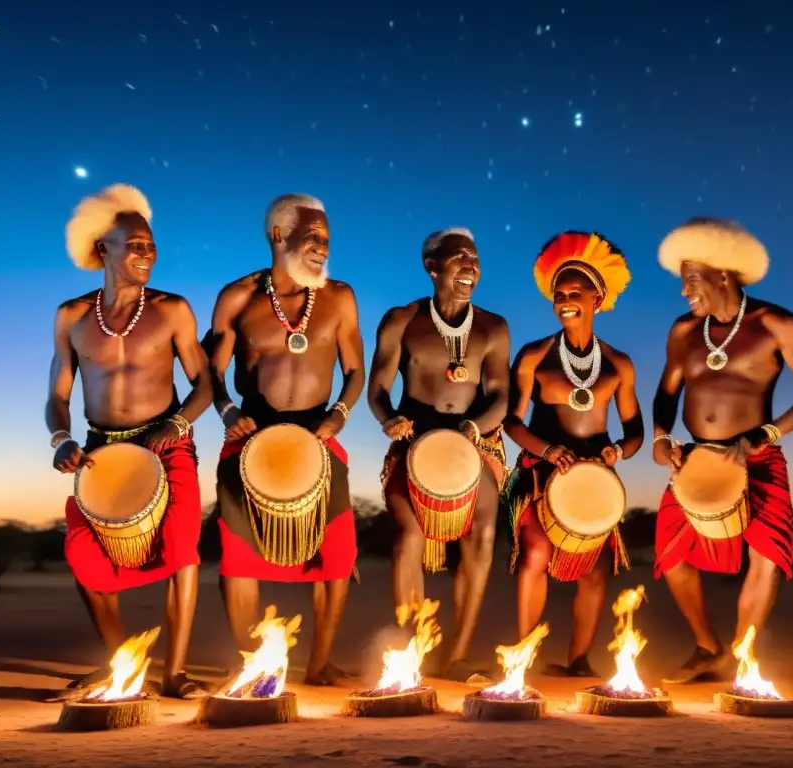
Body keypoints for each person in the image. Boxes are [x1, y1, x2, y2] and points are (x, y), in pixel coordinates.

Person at [650, 216, 793, 683]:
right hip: (695, 460)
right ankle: (707, 647)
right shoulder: (683, 332)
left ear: (723, 274)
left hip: (756, 457)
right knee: (671, 556)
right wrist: (659, 435)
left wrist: (767, 434)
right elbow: (666, 391)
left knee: (767, 558)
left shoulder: (774, 324)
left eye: (691, 281)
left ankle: (745, 659)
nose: (683, 292)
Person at [47, 184, 213, 699]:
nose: (146, 253)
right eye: (134, 244)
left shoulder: (172, 310)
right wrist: (60, 437)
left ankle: (176, 673)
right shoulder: (72, 317)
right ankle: (123, 664)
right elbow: (57, 393)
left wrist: (178, 425)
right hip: (101, 451)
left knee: (183, 551)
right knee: (81, 553)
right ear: (104, 250)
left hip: (167, 445)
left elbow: (204, 384)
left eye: (150, 245)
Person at [207, 194, 365, 686]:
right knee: (238, 557)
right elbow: (211, 369)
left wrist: (338, 415)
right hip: (251, 434)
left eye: (326, 239)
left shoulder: (339, 297)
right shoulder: (238, 298)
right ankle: (250, 662)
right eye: (312, 236)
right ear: (279, 235)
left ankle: (319, 665)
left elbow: (355, 370)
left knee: (338, 554)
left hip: (319, 434)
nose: (322, 246)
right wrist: (228, 410)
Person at [368, 228, 510, 681]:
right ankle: (412, 648)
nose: (470, 267)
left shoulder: (492, 327)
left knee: (483, 534)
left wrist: (475, 426)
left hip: (474, 444)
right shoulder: (402, 320)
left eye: (475, 260)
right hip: (414, 447)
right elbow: (377, 390)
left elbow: (501, 396)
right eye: (459, 259)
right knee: (408, 538)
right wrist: (389, 418)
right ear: (432, 267)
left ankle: (458, 654)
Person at [503, 231, 643, 676]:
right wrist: (547, 450)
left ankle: (579, 660)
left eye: (575, 293)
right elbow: (511, 422)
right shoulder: (534, 357)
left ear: (597, 299)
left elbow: (635, 430)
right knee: (535, 557)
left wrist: (616, 452)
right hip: (541, 473)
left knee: (597, 571)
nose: (564, 300)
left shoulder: (619, 364)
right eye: (558, 294)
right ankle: (523, 656)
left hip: (594, 478)